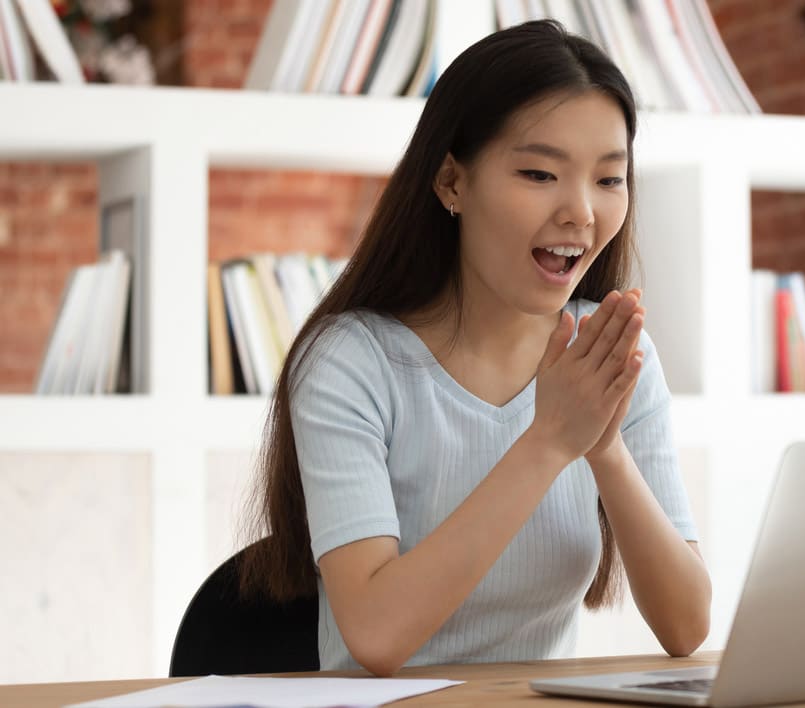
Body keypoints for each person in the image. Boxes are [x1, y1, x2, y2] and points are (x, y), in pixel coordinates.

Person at [240, 19, 711, 676]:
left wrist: (601, 445)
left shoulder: (607, 351)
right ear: (451, 183)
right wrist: (549, 441)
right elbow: (375, 636)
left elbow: (686, 625)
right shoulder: (351, 360)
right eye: (539, 173)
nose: (580, 211)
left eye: (609, 179)